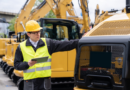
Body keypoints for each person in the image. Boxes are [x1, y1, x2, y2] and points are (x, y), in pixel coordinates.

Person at [14, 20, 79, 90]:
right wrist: (27, 64)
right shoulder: (21, 47)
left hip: (45, 82)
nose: (38, 34)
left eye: (38, 31)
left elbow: (66, 45)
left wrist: (80, 41)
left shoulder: (48, 43)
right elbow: (16, 65)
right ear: (28, 34)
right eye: (35, 32)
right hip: (30, 82)